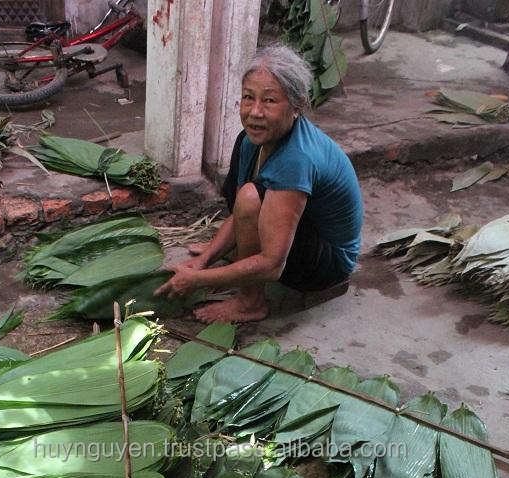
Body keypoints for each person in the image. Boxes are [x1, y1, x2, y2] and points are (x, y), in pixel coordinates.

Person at [155, 43, 363, 323]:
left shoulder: (297, 159)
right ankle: (239, 258)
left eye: (269, 101)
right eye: (248, 97)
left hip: (326, 265)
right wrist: (205, 259)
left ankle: (250, 302)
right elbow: (241, 212)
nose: (255, 112)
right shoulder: (250, 140)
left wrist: (198, 279)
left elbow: (273, 265)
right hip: (297, 232)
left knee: (251, 196)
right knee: (246, 196)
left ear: (297, 106)